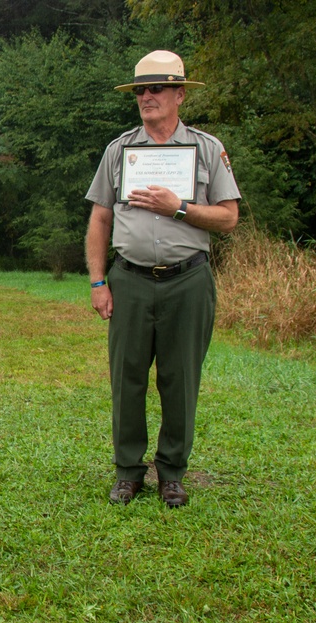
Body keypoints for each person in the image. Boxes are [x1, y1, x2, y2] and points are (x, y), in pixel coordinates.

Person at [84, 50, 240, 508]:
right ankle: (128, 471)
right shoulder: (119, 150)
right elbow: (99, 220)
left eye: (156, 89)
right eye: (140, 90)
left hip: (188, 282)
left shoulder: (207, 149)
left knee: (180, 379)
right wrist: (98, 282)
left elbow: (228, 218)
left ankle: (172, 472)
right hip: (128, 280)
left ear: (179, 95)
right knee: (126, 378)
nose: (147, 97)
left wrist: (178, 206)